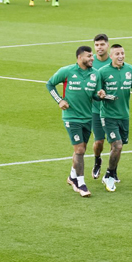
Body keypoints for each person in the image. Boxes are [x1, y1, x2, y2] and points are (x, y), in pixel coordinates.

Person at [46, 46, 105, 197]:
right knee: (79, 150)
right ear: (79, 58)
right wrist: (59, 100)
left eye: (92, 56)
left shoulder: (95, 74)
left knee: (82, 149)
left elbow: (95, 95)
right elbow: (50, 84)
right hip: (71, 117)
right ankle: (81, 183)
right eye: (89, 56)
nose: (92, 58)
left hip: (88, 117)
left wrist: (100, 94)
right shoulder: (67, 71)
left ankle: (72, 177)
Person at [97, 43, 132, 190]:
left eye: (122, 53)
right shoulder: (103, 72)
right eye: (117, 54)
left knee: (117, 147)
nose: (121, 56)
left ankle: (114, 171)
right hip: (108, 115)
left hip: (124, 115)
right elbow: (97, 90)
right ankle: (108, 175)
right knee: (118, 145)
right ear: (111, 56)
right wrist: (101, 93)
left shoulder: (131, 69)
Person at [90, 34, 111, 179]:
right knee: (98, 141)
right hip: (95, 110)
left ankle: (112, 171)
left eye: (102, 44)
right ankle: (97, 160)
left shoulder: (114, 62)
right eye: (97, 45)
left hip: (112, 110)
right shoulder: (90, 63)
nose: (99, 47)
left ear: (107, 45)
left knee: (116, 143)